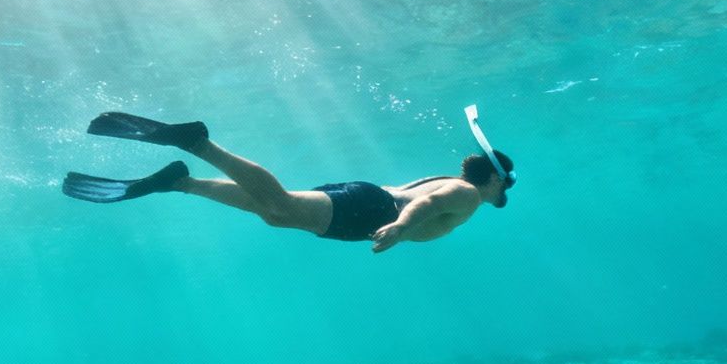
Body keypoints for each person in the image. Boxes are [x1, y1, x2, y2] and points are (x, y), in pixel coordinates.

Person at [62, 112, 513, 252]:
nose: (502, 195)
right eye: (504, 186)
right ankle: (199, 145)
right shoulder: (469, 193)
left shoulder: (444, 178)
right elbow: (428, 208)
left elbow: (421, 197)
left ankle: (182, 182)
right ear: (492, 177)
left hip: (365, 199)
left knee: (275, 213)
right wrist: (399, 226)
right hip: (372, 212)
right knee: (279, 205)